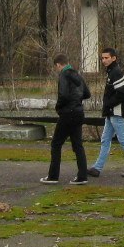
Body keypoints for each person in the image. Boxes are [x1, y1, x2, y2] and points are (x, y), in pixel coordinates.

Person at [88, 46, 124, 179]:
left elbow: (122, 94)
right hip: (111, 112)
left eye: (106, 58)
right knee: (105, 140)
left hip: (116, 113)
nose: (104, 60)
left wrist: (108, 105)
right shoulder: (111, 71)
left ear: (114, 58)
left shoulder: (116, 72)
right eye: (102, 58)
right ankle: (97, 168)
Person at [41, 53, 90, 185]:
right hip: (79, 113)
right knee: (78, 145)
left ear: (58, 65)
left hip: (68, 113)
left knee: (56, 144)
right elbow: (87, 93)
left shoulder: (64, 74)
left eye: (56, 67)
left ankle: (53, 176)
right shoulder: (77, 74)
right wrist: (77, 99)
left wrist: (58, 107)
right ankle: (82, 176)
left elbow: (63, 95)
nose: (57, 69)